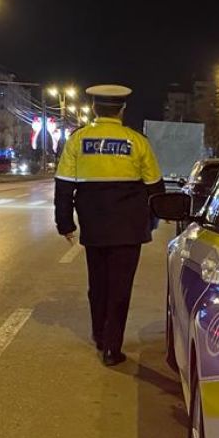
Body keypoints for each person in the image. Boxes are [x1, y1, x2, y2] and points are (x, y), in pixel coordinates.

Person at [54, 84, 163, 366]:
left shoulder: (78, 140)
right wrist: (154, 220)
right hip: (129, 229)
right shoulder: (137, 141)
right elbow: (155, 188)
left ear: (94, 108)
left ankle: (100, 335)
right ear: (122, 109)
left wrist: (65, 223)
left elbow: (63, 186)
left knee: (98, 283)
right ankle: (113, 348)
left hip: (95, 228)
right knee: (120, 288)